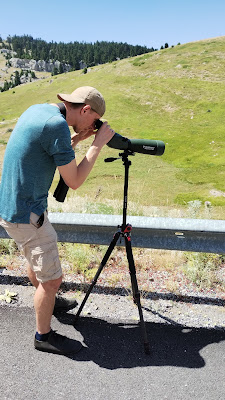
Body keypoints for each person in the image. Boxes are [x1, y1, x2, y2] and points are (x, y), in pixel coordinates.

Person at [0, 86, 114, 355]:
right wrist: (97, 144)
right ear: (85, 109)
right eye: (94, 120)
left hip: (13, 207)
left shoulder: (41, 110)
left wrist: (75, 139)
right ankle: (44, 336)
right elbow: (73, 180)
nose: (93, 125)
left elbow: (42, 147)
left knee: (36, 261)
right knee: (52, 280)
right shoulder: (56, 126)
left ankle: (48, 299)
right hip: (27, 215)